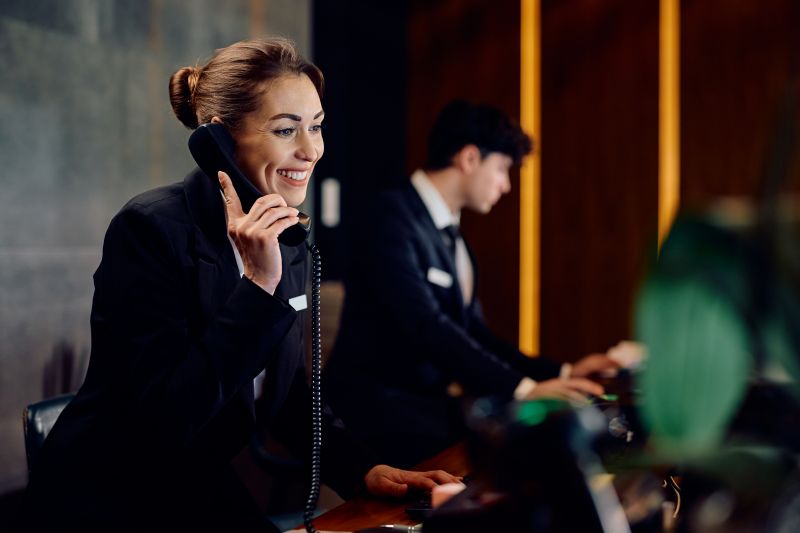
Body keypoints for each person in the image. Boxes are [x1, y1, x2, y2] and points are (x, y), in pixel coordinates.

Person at [24, 38, 459, 532]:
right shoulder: (149, 230)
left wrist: (363, 469)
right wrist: (258, 285)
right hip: (111, 494)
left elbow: (290, 393)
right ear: (220, 143)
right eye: (285, 129)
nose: (311, 149)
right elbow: (167, 420)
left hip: (193, 482)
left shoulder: (287, 234)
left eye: (316, 126)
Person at [324, 100, 619, 468]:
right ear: (468, 159)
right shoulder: (390, 216)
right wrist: (522, 390)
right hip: (374, 409)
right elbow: (426, 325)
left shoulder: (452, 234)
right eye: (501, 169)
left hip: (424, 406)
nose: (506, 185)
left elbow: (474, 332)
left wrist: (559, 373)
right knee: (512, 447)